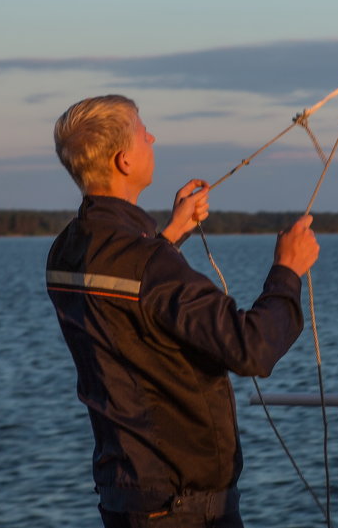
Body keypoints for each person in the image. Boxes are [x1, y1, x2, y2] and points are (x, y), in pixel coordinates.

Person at [46, 94, 319, 528]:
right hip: (181, 509)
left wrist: (170, 233)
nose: (152, 136)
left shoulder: (66, 249)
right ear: (123, 161)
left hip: (126, 498)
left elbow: (131, 300)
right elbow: (252, 348)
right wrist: (287, 269)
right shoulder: (149, 264)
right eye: (142, 131)